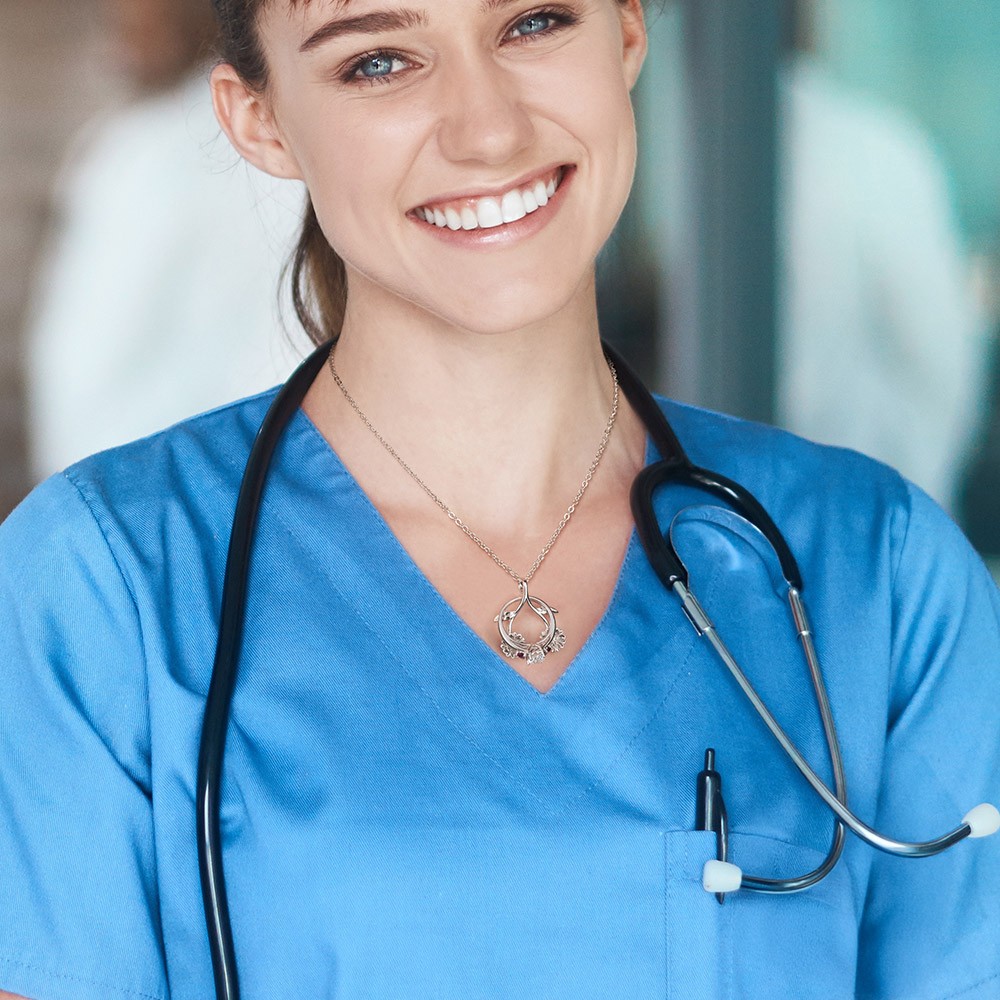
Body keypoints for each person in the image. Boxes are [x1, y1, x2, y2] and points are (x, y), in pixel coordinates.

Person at [0, 0, 997, 998]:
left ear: (628, 34)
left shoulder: (878, 570)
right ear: (259, 121)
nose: (488, 130)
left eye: (533, 23)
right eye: (380, 63)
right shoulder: (104, 582)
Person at [26, 0, 308, 480]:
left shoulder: (140, 151)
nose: (118, 34)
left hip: (145, 492)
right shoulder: (303, 129)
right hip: (284, 474)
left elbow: (82, 365)